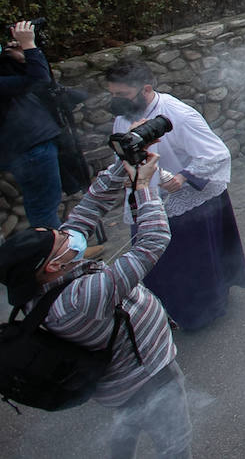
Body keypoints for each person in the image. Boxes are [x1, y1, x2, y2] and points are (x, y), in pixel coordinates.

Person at [0, 152, 192, 458]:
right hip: (148, 379)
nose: (68, 234)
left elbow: (90, 207)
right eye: (61, 239)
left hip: (114, 386)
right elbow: (153, 240)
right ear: (52, 266)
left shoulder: (37, 288)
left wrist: (126, 158)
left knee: (126, 428)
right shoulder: (79, 301)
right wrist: (143, 185)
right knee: (175, 445)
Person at [106, 59, 245, 332]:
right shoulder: (123, 117)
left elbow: (216, 154)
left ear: (145, 89)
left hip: (191, 204)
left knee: (191, 266)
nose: (115, 102)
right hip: (148, 196)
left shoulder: (178, 114)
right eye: (112, 94)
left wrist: (183, 178)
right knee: (157, 264)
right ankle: (163, 311)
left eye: (121, 95)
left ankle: (202, 312)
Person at [0, 21, 65, 230]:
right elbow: (39, 80)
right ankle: (56, 257)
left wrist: (21, 58)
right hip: (29, 150)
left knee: (42, 206)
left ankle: (62, 251)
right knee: (43, 210)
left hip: (29, 147)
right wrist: (29, 45)